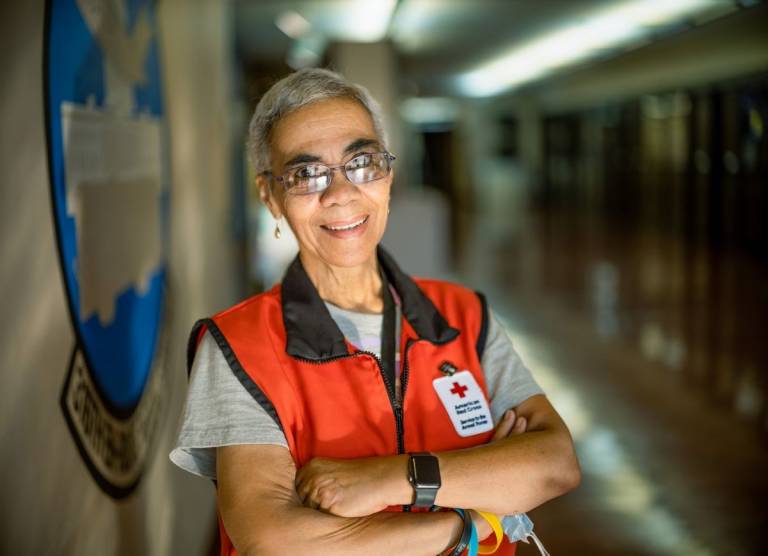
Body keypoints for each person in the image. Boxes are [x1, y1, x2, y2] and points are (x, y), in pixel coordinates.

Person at [170, 68, 580, 556]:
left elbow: (554, 464)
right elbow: (273, 536)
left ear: (388, 176)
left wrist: (389, 480)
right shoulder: (237, 345)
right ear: (270, 196)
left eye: (361, 162)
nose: (340, 193)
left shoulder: (463, 316)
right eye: (305, 174)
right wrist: (472, 521)